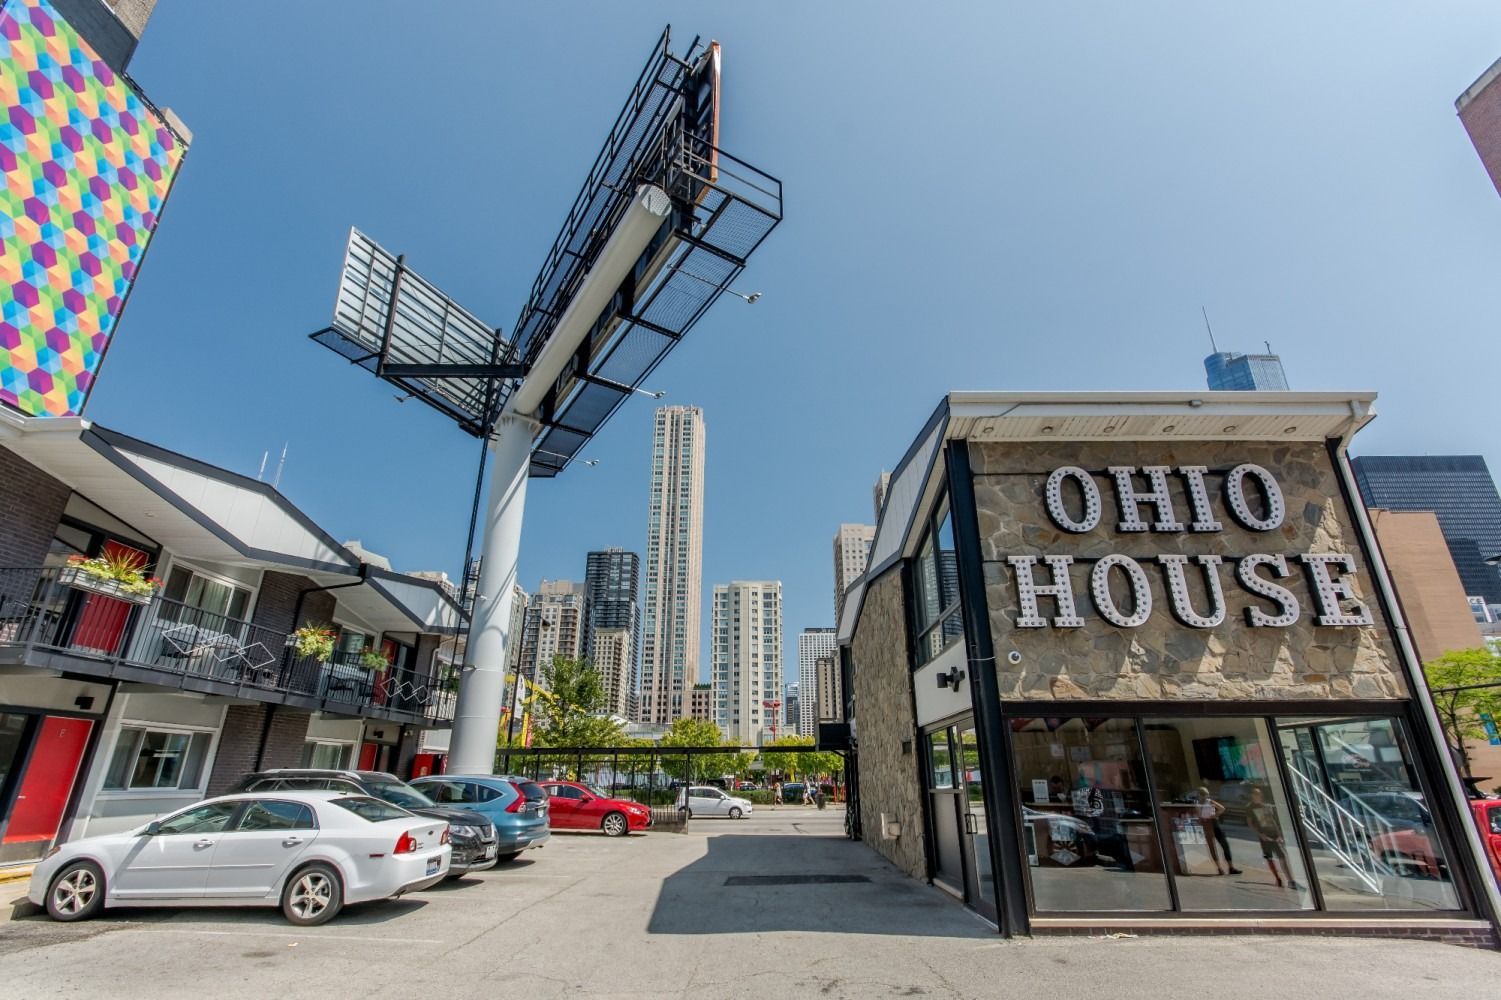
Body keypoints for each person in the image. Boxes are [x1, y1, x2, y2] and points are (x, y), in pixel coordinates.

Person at [1246, 786, 1301, 890]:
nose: (1258, 796)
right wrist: (1260, 834)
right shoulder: (1250, 808)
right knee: (1269, 858)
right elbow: (1250, 824)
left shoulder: (1265, 806)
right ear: (1252, 796)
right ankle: (1277, 878)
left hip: (1274, 835)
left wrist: (1280, 834)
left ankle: (1290, 880)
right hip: (1264, 836)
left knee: (1282, 856)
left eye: (1259, 794)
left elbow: (1273, 821)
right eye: (1256, 794)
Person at [1197, 786, 1242, 876]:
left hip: (1214, 824)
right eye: (1202, 795)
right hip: (1207, 826)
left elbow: (1222, 808)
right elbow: (1198, 816)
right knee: (1212, 848)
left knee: (1224, 845)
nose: (1204, 796)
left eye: (1205, 794)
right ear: (1199, 795)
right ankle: (1219, 868)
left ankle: (1230, 867)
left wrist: (1214, 815)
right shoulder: (1198, 804)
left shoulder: (1209, 802)